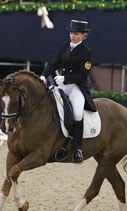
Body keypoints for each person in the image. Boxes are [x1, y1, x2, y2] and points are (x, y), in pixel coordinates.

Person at [40, 19, 97, 163]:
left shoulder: (86, 53)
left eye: (76, 34)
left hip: (76, 88)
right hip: (60, 85)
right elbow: (53, 64)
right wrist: (43, 75)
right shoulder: (64, 47)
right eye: (71, 33)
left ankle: (78, 148)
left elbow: (82, 76)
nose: (73, 36)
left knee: (77, 113)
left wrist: (65, 78)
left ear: (84, 35)